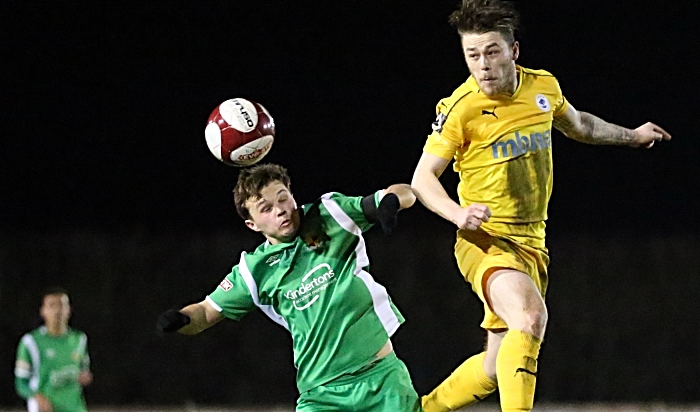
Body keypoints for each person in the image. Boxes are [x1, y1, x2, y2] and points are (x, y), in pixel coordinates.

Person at [411, 1, 672, 411]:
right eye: (472, 55)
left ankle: (419, 409)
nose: (482, 65)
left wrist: (633, 136)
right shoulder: (460, 109)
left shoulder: (543, 87)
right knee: (531, 317)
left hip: (533, 242)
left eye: (492, 51)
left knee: (497, 368)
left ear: (514, 51)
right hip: (485, 240)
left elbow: (580, 125)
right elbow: (422, 179)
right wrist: (459, 215)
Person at [157, 163, 422, 412]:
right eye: (266, 208)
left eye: (283, 198)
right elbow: (205, 312)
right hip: (321, 396)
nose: (280, 210)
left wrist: (391, 202)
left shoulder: (330, 214)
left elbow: (405, 191)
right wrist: (181, 319)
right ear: (252, 224)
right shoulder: (254, 271)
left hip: (382, 380)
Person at [15, 287, 93, 412]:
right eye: (52, 306)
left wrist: (85, 377)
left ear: (69, 310)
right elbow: (20, 383)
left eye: (62, 305)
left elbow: (84, 372)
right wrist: (37, 397)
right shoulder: (31, 342)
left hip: (74, 408)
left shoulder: (79, 339)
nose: (58, 311)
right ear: (43, 311)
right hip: (46, 409)